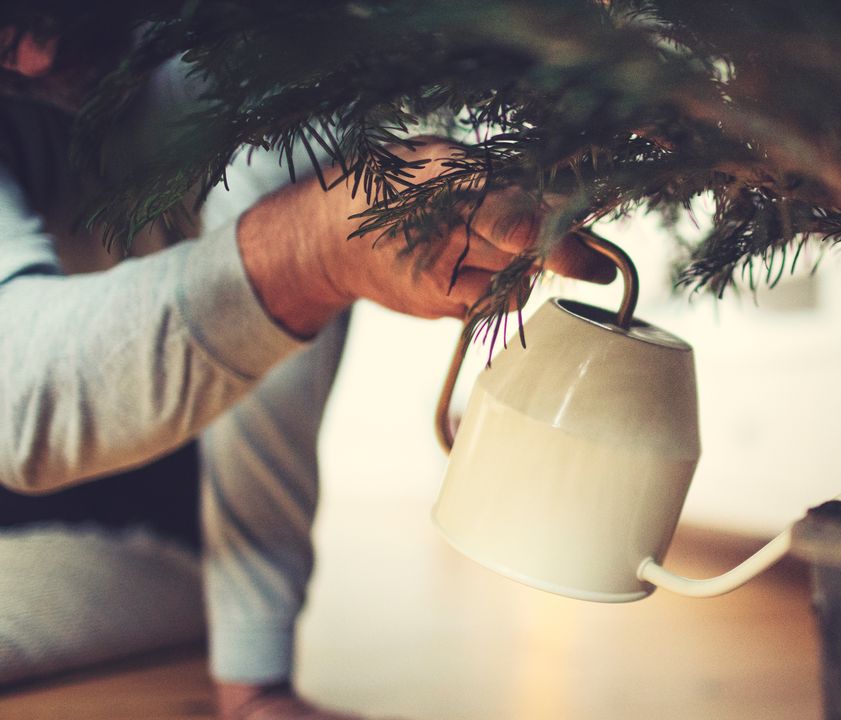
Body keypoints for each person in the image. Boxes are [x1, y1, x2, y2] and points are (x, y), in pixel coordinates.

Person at [0, 22, 611, 720]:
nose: (38, 55)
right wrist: (312, 252)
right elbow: (19, 401)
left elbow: (283, 167)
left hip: (153, 505)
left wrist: (255, 676)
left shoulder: (242, 71)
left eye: (46, 11)